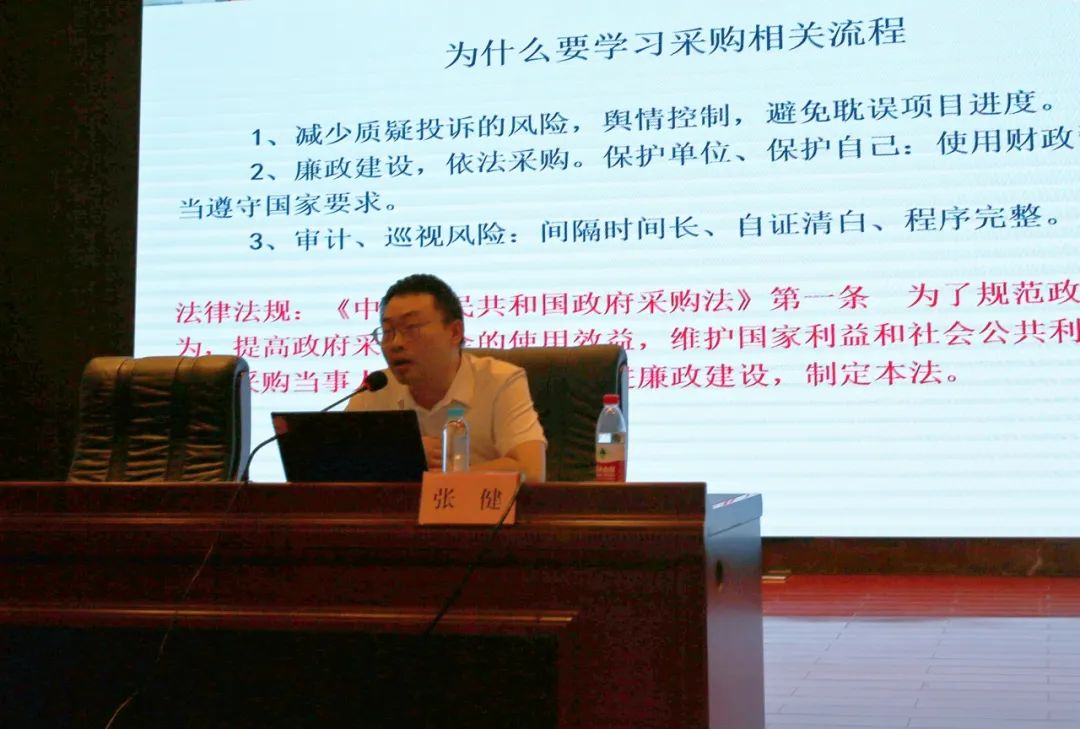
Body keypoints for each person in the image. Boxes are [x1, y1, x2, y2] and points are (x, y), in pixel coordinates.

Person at [346, 273, 547, 482]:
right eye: (388, 331)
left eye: (412, 328)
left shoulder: (499, 381)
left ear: (455, 332)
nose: (396, 343)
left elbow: (530, 470)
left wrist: (444, 477)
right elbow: (339, 467)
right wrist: (400, 456)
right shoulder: (374, 389)